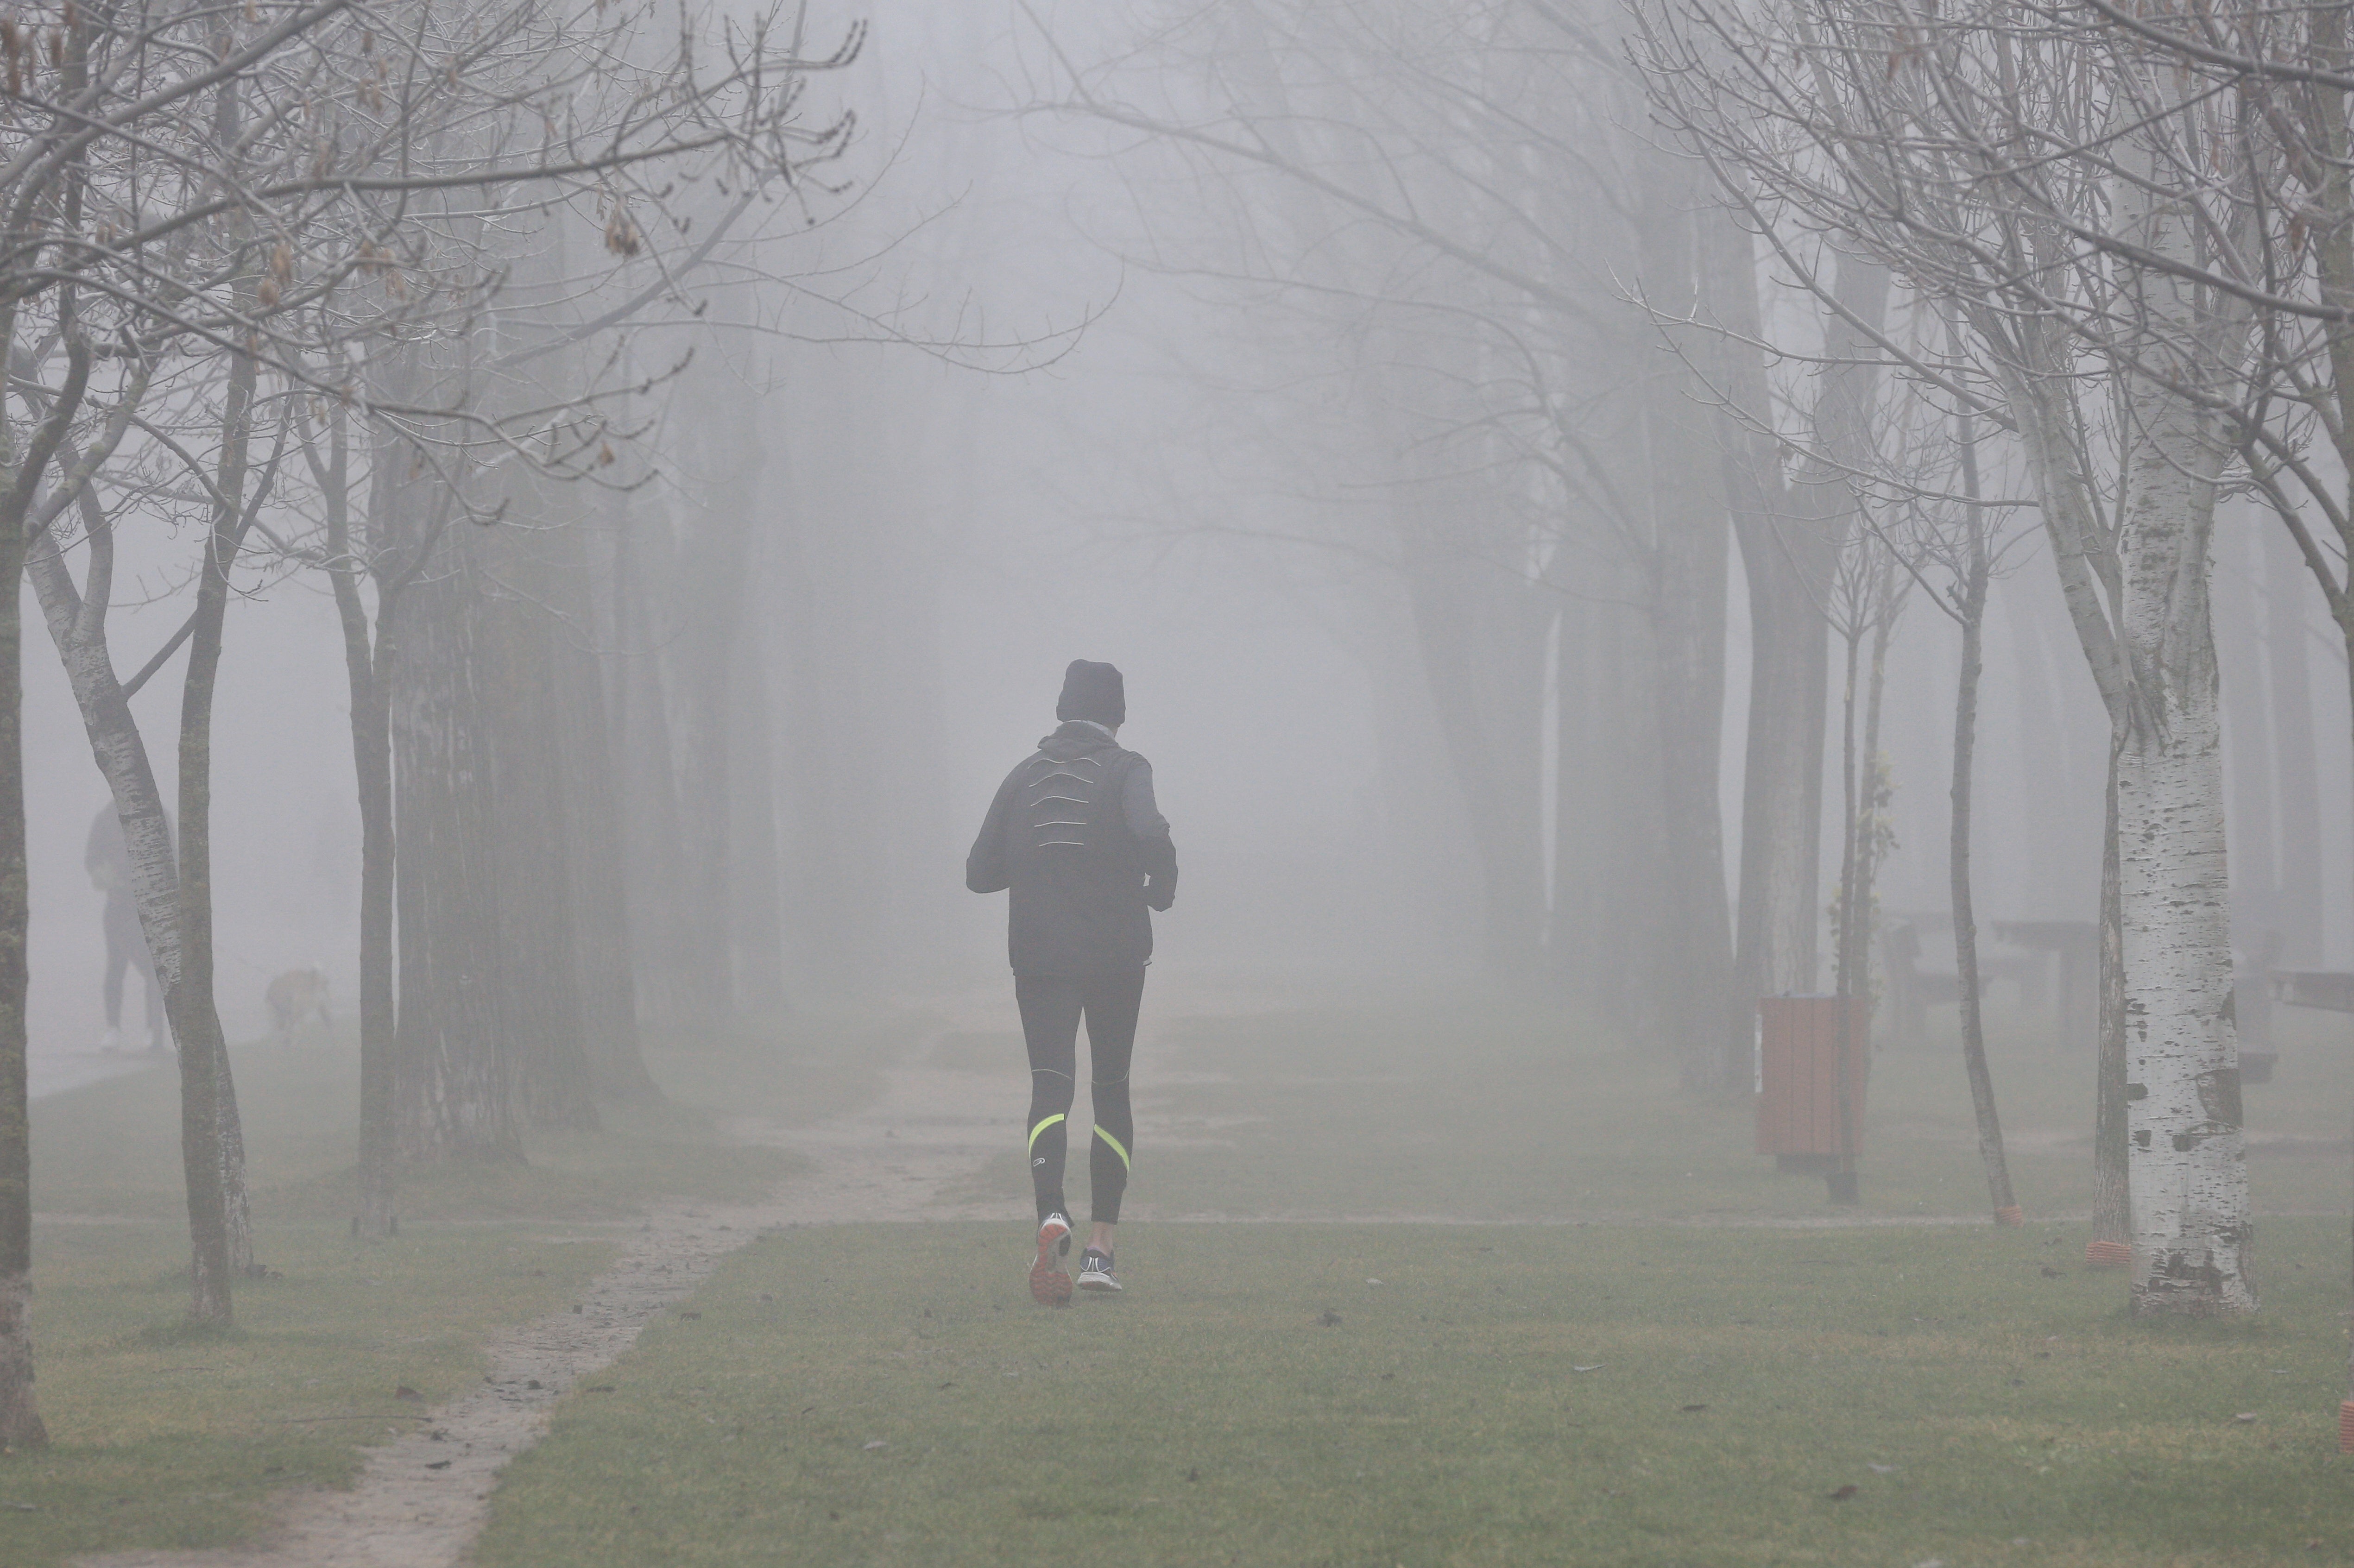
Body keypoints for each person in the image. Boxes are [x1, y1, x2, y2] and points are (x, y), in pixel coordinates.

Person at [967, 660, 1177, 1305]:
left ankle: (1050, 1212)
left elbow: (980, 871)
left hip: (1039, 956)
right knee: (1110, 1088)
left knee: (1050, 1086)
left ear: (1062, 711)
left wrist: (1041, 869)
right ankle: (1099, 1251)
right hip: (1114, 956)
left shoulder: (1023, 775)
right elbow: (1151, 833)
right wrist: (1159, 888)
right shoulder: (1126, 769)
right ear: (1117, 715)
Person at [86, 802, 168, 1052]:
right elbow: (91, 859)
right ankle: (113, 1029)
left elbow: (172, 854)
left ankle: (154, 1030)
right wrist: (109, 877)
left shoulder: (157, 813)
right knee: (116, 966)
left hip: (152, 906)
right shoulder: (106, 818)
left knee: (155, 969)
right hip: (118, 905)